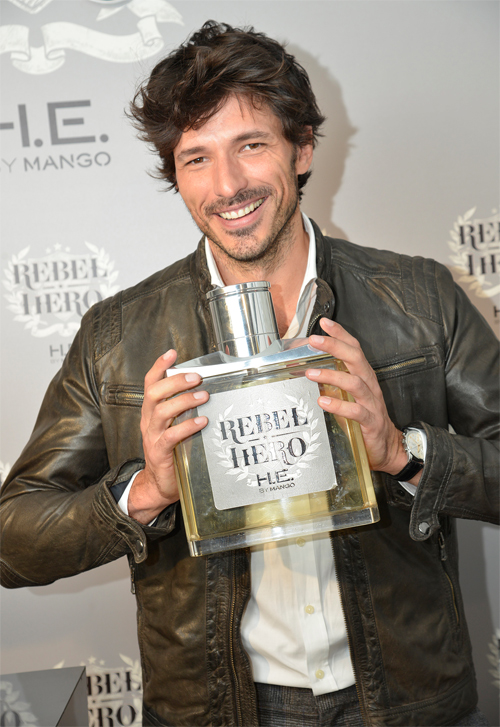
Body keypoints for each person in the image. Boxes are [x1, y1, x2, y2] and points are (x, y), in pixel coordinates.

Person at [1, 20, 498, 727]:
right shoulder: (117, 336)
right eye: (196, 158)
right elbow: (14, 540)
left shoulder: (421, 298)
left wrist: (403, 453)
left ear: (303, 147)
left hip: (405, 703)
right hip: (219, 711)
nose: (227, 185)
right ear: (175, 174)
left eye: (251, 145)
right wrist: (149, 490)